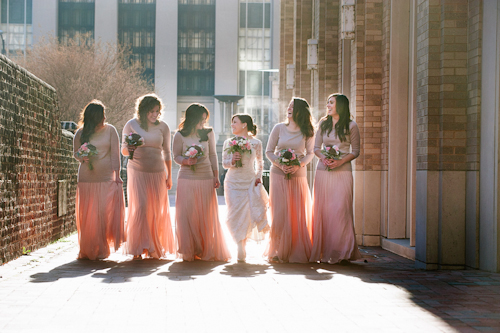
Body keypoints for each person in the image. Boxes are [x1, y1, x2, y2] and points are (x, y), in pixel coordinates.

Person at [173, 103, 230, 261]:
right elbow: (176, 156)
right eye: (201, 120)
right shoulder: (179, 135)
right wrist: (186, 161)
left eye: (205, 120)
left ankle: (205, 248)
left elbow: (213, 155)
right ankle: (189, 248)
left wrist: (216, 175)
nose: (203, 123)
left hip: (206, 176)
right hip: (186, 178)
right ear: (192, 119)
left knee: (204, 214)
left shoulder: (208, 133)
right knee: (187, 213)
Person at [122, 94, 175, 259]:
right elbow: (123, 150)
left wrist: (169, 176)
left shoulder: (163, 127)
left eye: (157, 111)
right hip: (137, 171)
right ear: (143, 110)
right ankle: (137, 247)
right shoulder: (131, 125)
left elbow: (167, 152)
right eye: (151, 111)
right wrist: (129, 147)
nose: (155, 114)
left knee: (156, 209)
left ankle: (153, 246)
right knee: (141, 207)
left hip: (158, 172)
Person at [310, 93, 361, 264]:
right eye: (328, 102)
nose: (328, 105)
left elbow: (356, 151)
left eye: (331, 103)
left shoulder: (352, 126)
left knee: (341, 210)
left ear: (340, 105)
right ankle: (325, 250)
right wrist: (323, 158)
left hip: (343, 171)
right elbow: (316, 148)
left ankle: (343, 251)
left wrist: (340, 161)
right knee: (324, 211)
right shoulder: (323, 124)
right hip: (323, 171)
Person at [73, 100, 125, 260]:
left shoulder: (110, 130)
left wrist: (117, 176)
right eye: (101, 115)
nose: (104, 118)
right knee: (88, 214)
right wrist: (83, 157)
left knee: (104, 213)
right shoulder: (81, 133)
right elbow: (75, 153)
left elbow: (116, 155)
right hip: (86, 179)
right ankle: (89, 249)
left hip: (106, 177)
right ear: (94, 117)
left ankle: (102, 247)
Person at [265, 97, 315, 263]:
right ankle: (277, 249)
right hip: (278, 174)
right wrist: (280, 164)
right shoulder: (279, 128)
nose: (289, 108)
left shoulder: (308, 131)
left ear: (300, 111)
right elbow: (269, 151)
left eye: (292, 107)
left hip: (298, 174)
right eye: (288, 105)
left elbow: (311, 153)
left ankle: (296, 248)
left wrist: (298, 165)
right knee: (279, 212)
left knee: (296, 212)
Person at [222, 114, 269, 262]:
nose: (232, 125)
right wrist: (232, 160)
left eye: (235, 122)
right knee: (234, 214)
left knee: (247, 215)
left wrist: (258, 176)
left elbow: (260, 163)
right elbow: (224, 163)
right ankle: (238, 244)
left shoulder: (256, 143)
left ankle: (242, 246)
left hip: (249, 181)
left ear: (244, 124)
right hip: (232, 183)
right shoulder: (228, 142)